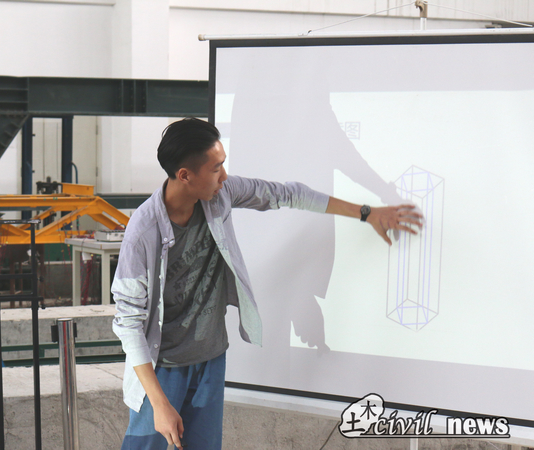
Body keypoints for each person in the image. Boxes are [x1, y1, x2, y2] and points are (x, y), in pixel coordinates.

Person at [112, 118, 421, 450]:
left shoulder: (219, 195)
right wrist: (159, 403)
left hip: (210, 358)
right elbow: (128, 322)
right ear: (185, 175)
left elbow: (289, 194)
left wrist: (367, 212)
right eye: (216, 168)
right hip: (161, 369)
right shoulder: (143, 231)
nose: (224, 176)